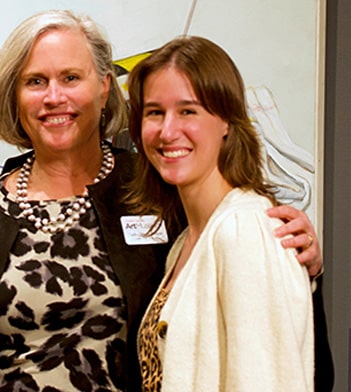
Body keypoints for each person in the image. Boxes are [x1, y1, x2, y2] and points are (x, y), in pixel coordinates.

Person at [0, 10, 327, 392]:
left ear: (105, 86)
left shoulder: (153, 189)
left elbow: (256, 322)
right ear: (14, 96)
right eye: (35, 81)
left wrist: (297, 260)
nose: (54, 96)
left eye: (71, 77)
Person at [125, 35, 329, 391]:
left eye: (188, 111)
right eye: (155, 112)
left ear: (227, 123)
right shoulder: (186, 241)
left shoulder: (245, 228)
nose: (168, 131)